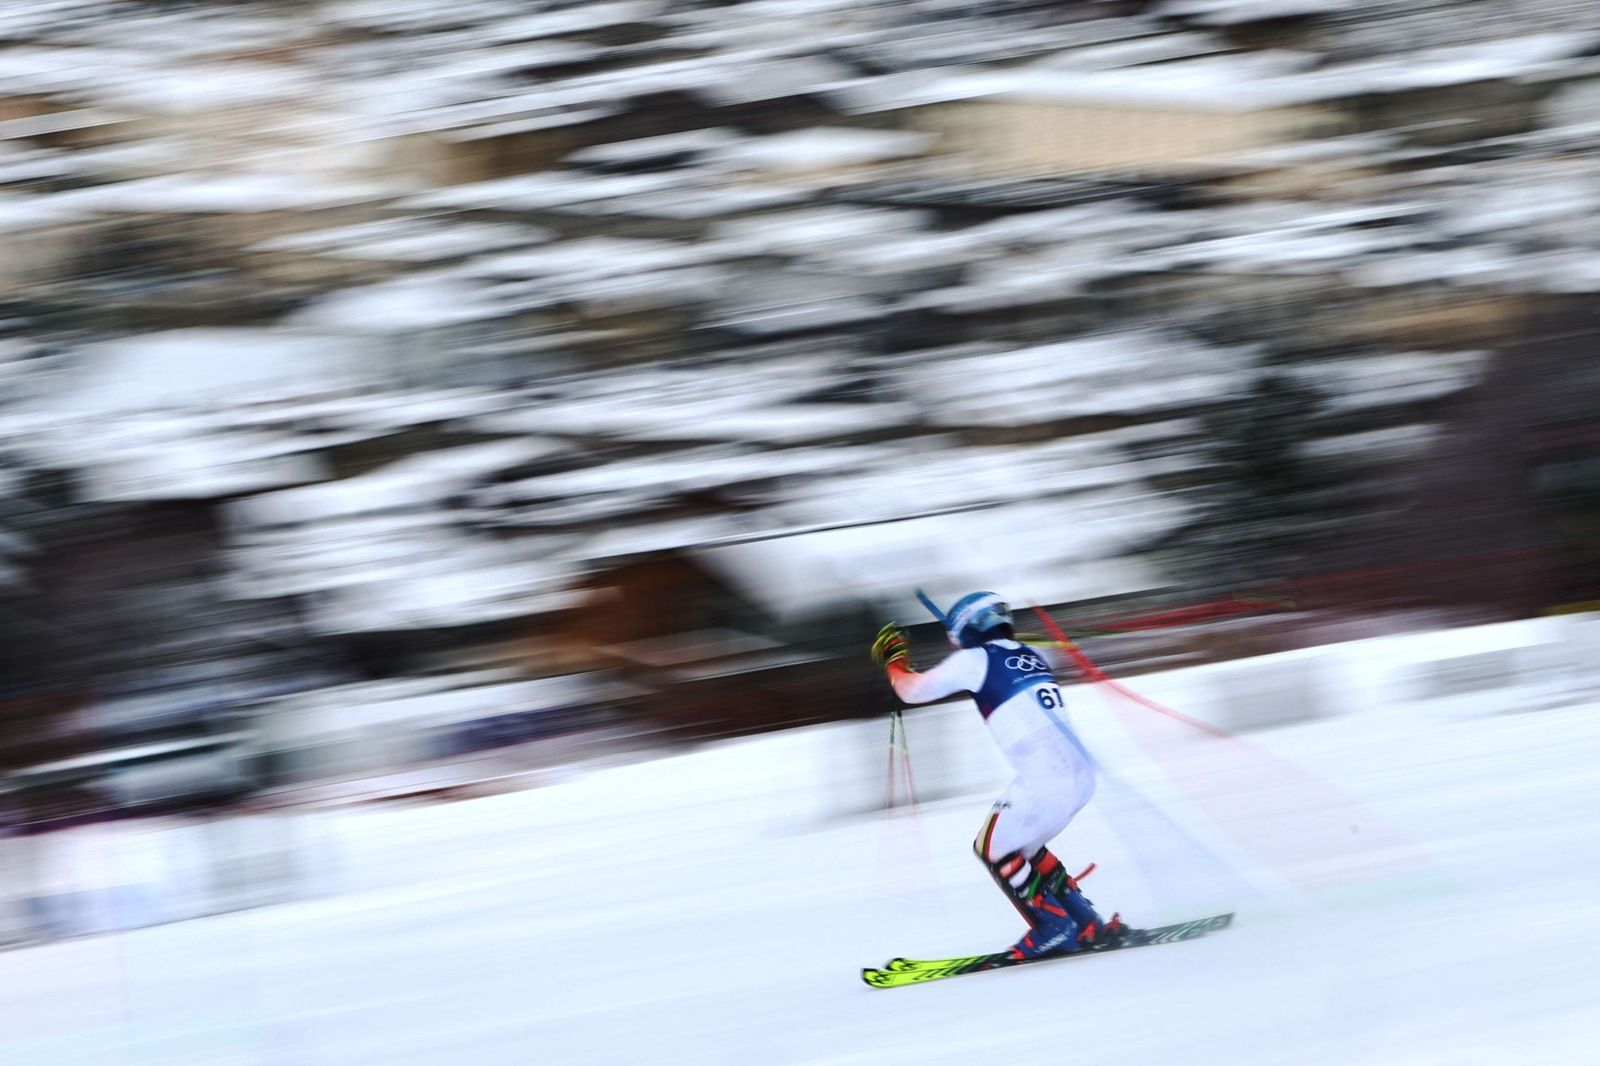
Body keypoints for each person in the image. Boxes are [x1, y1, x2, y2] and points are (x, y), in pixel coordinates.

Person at [870, 590, 1125, 959]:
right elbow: (1054, 654)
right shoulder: (1031, 653)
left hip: (1045, 778)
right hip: (1080, 775)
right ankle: (1085, 923)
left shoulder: (973, 659)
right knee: (1025, 848)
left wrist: (894, 659)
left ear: (964, 630)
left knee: (991, 848)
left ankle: (1053, 928)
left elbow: (911, 691)